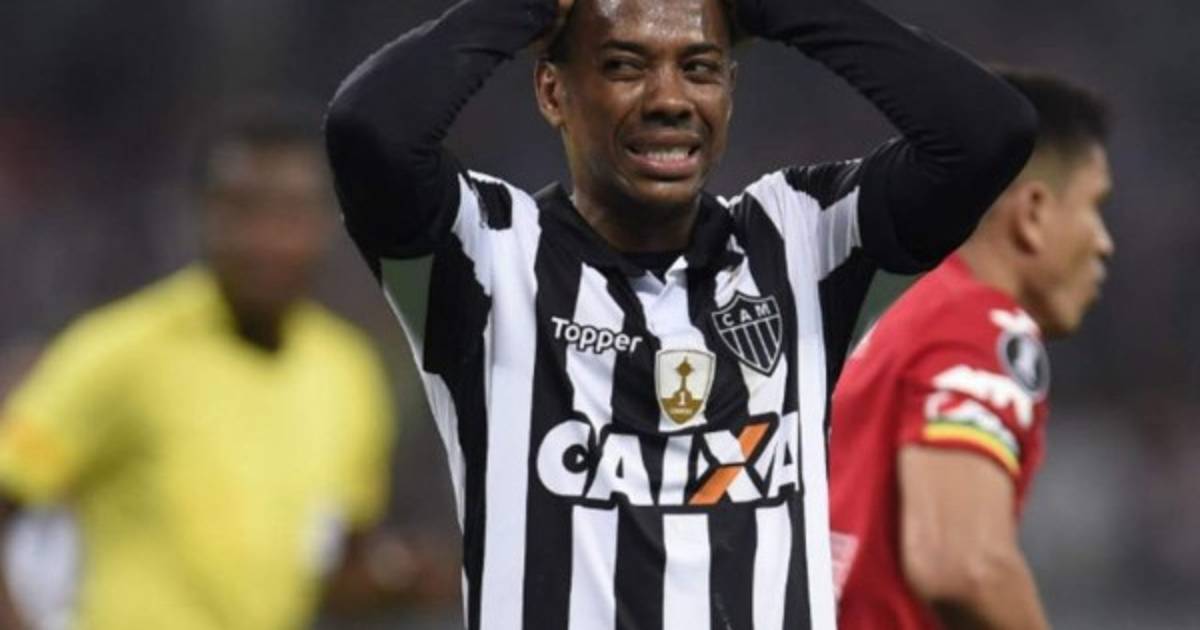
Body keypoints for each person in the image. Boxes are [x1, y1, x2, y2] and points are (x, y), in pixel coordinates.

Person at [323, 0, 1036, 627]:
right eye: (625, 66)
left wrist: (785, 9)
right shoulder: (487, 254)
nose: (669, 98)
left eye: (699, 69)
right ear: (552, 90)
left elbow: (988, 134)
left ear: (731, 89)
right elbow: (368, 132)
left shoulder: (800, 240)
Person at [0, 106, 403, 630]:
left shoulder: (348, 373)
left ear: (327, 223)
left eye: (290, 213)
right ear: (200, 217)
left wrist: (405, 580)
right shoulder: (122, 352)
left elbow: (337, 569)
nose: (266, 238)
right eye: (242, 210)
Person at [829, 69, 1113, 630]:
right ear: (1032, 213)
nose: (1104, 241)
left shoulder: (917, 314)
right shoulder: (981, 325)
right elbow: (963, 566)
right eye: (1094, 205)